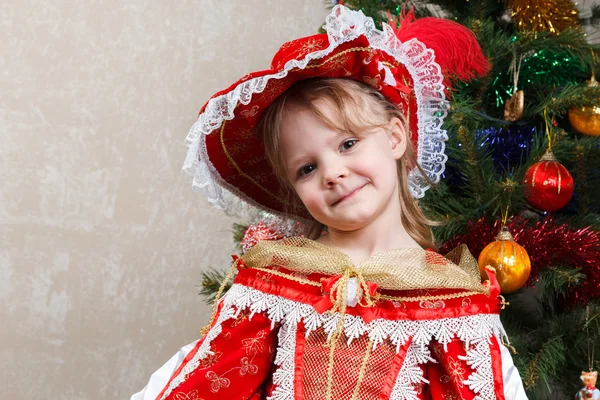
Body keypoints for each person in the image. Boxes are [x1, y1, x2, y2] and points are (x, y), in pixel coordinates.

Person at [132, 5, 527, 400]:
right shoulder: (276, 285)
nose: (333, 172)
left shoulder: (452, 304)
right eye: (306, 168)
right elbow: (200, 382)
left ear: (394, 136)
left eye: (348, 143)